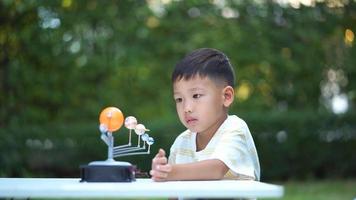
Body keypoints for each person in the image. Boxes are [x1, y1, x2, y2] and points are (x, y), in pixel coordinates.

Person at [150, 48, 260, 182]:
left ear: (226, 96)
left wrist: (170, 171)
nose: (187, 108)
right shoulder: (181, 143)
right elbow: (175, 193)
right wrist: (162, 171)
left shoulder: (235, 129)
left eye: (196, 96)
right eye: (179, 99)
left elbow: (216, 169)